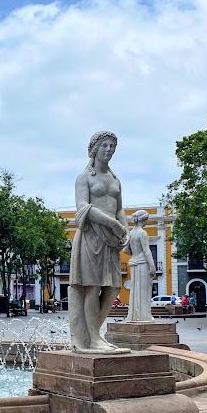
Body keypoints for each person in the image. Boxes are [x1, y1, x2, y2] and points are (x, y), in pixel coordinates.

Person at [68, 131, 129, 352]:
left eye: (113, 146)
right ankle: (93, 338)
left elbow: (120, 208)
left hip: (111, 241)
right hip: (91, 236)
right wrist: (111, 223)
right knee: (92, 288)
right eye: (105, 145)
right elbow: (82, 207)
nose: (109, 150)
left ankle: (93, 334)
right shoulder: (84, 178)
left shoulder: (115, 180)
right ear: (95, 148)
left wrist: (125, 230)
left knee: (113, 288)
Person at [126, 210, 157, 322]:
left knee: (135, 290)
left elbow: (125, 249)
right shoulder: (142, 233)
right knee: (144, 290)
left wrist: (134, 254)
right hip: (143, 263)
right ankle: (144, 316)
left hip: (134, 262)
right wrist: (152, 266)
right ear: (143, 219)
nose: (147, 222)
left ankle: (134, 316)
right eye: (146, 220)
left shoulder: (131, 233)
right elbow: (147, 251)